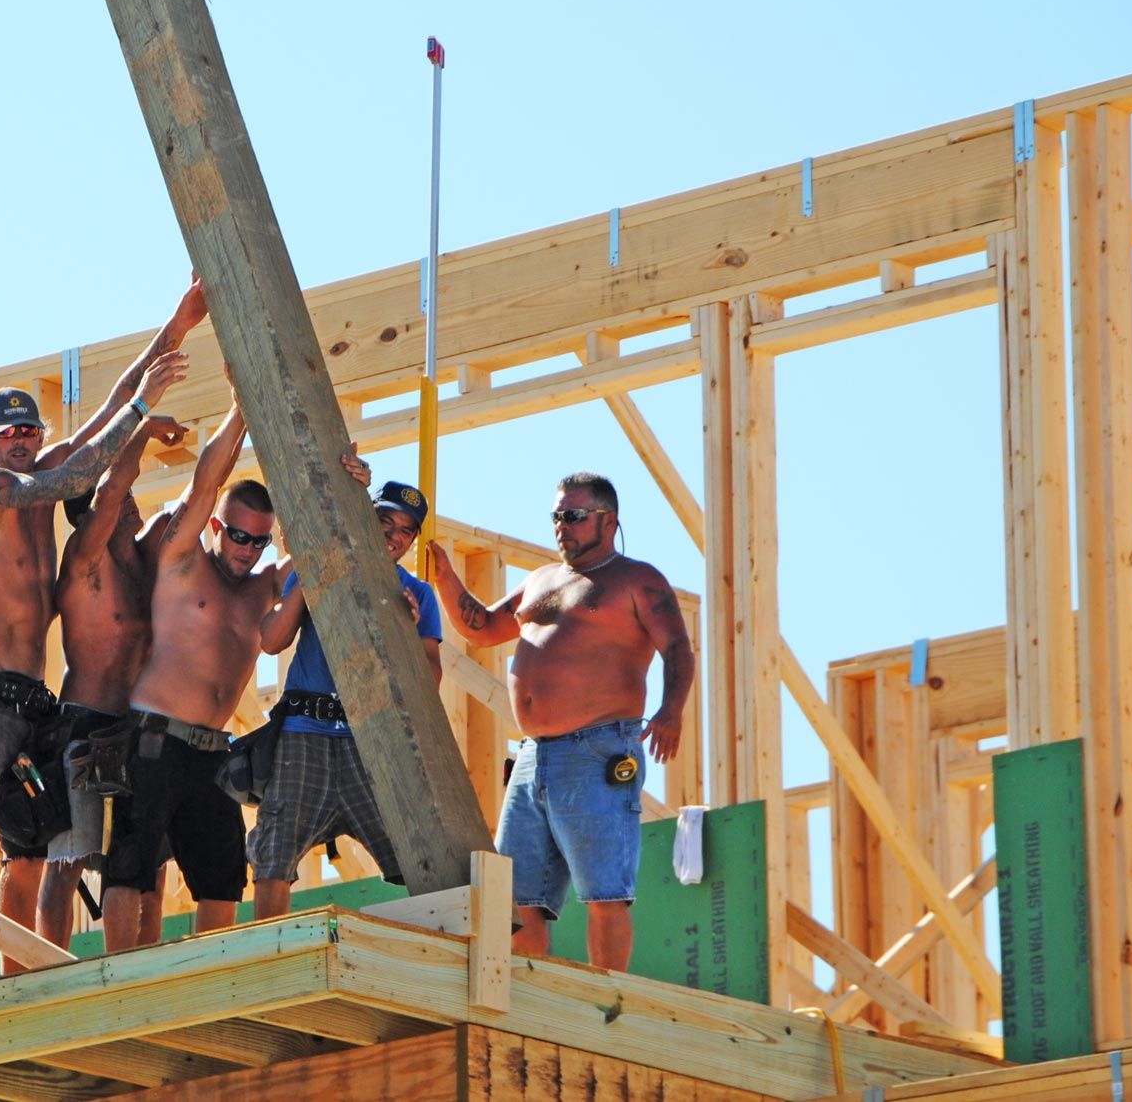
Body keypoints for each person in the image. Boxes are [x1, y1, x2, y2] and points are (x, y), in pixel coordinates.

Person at [0, 282, 206, 965]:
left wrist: (176, 327)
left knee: (37, 844)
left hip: (38, 697)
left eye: (30, 430)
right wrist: (144, 413)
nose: (22, 441)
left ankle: (26, 973)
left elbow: (109, 407)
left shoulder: (49, 465)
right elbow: (70, 476)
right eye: (8, 433)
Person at [427, 472, 693, 971]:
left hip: (597, 749)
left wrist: (671, 710)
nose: (561, 527)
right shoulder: (541, 580)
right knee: (518, 900)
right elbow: (481, 628)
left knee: (604, 893)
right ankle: (527, 1004)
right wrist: (443, 573)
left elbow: (677, 647)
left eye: (573, 516)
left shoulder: (637, 579)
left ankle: (604, 1003)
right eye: (556, 516)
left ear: (608, 521)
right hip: (532, 757)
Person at [99, 399, 282, 949]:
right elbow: (206, 483)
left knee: (223, 876)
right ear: (217, 527)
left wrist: (354, 479)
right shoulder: (184, 559)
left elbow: (324, 543)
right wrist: (241, 408)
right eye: (238, 536)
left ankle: (207, 981)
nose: (247, 550)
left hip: (212, 753)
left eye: (260, 541)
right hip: (153, 737)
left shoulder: (262, 588)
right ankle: (117, 979)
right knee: (130, 864)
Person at [250, 467, 443, 918]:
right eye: (385, 523)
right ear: (365, 518)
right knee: (274, 854)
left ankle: (426, 958)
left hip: (369, 741)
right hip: (305, 733)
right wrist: (313, 577)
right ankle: (269, 955)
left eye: (406, 532)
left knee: (418, 855)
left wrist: (406, 630)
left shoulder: (417, 594)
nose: (395, 537)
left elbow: (429, 683)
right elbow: (272, 640)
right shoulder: (322, 563)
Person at [35, 418, 184, 949]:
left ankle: (140, 966)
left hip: (139, 727)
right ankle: (48, 971)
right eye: (121, 499)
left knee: (151, 865)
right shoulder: (84, 559)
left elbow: (193, 508)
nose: (134, 504)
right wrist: (141, 427)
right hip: (85, 724)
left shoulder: (146, 563)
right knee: (69, 860)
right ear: (96, 512)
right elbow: (114, 484)